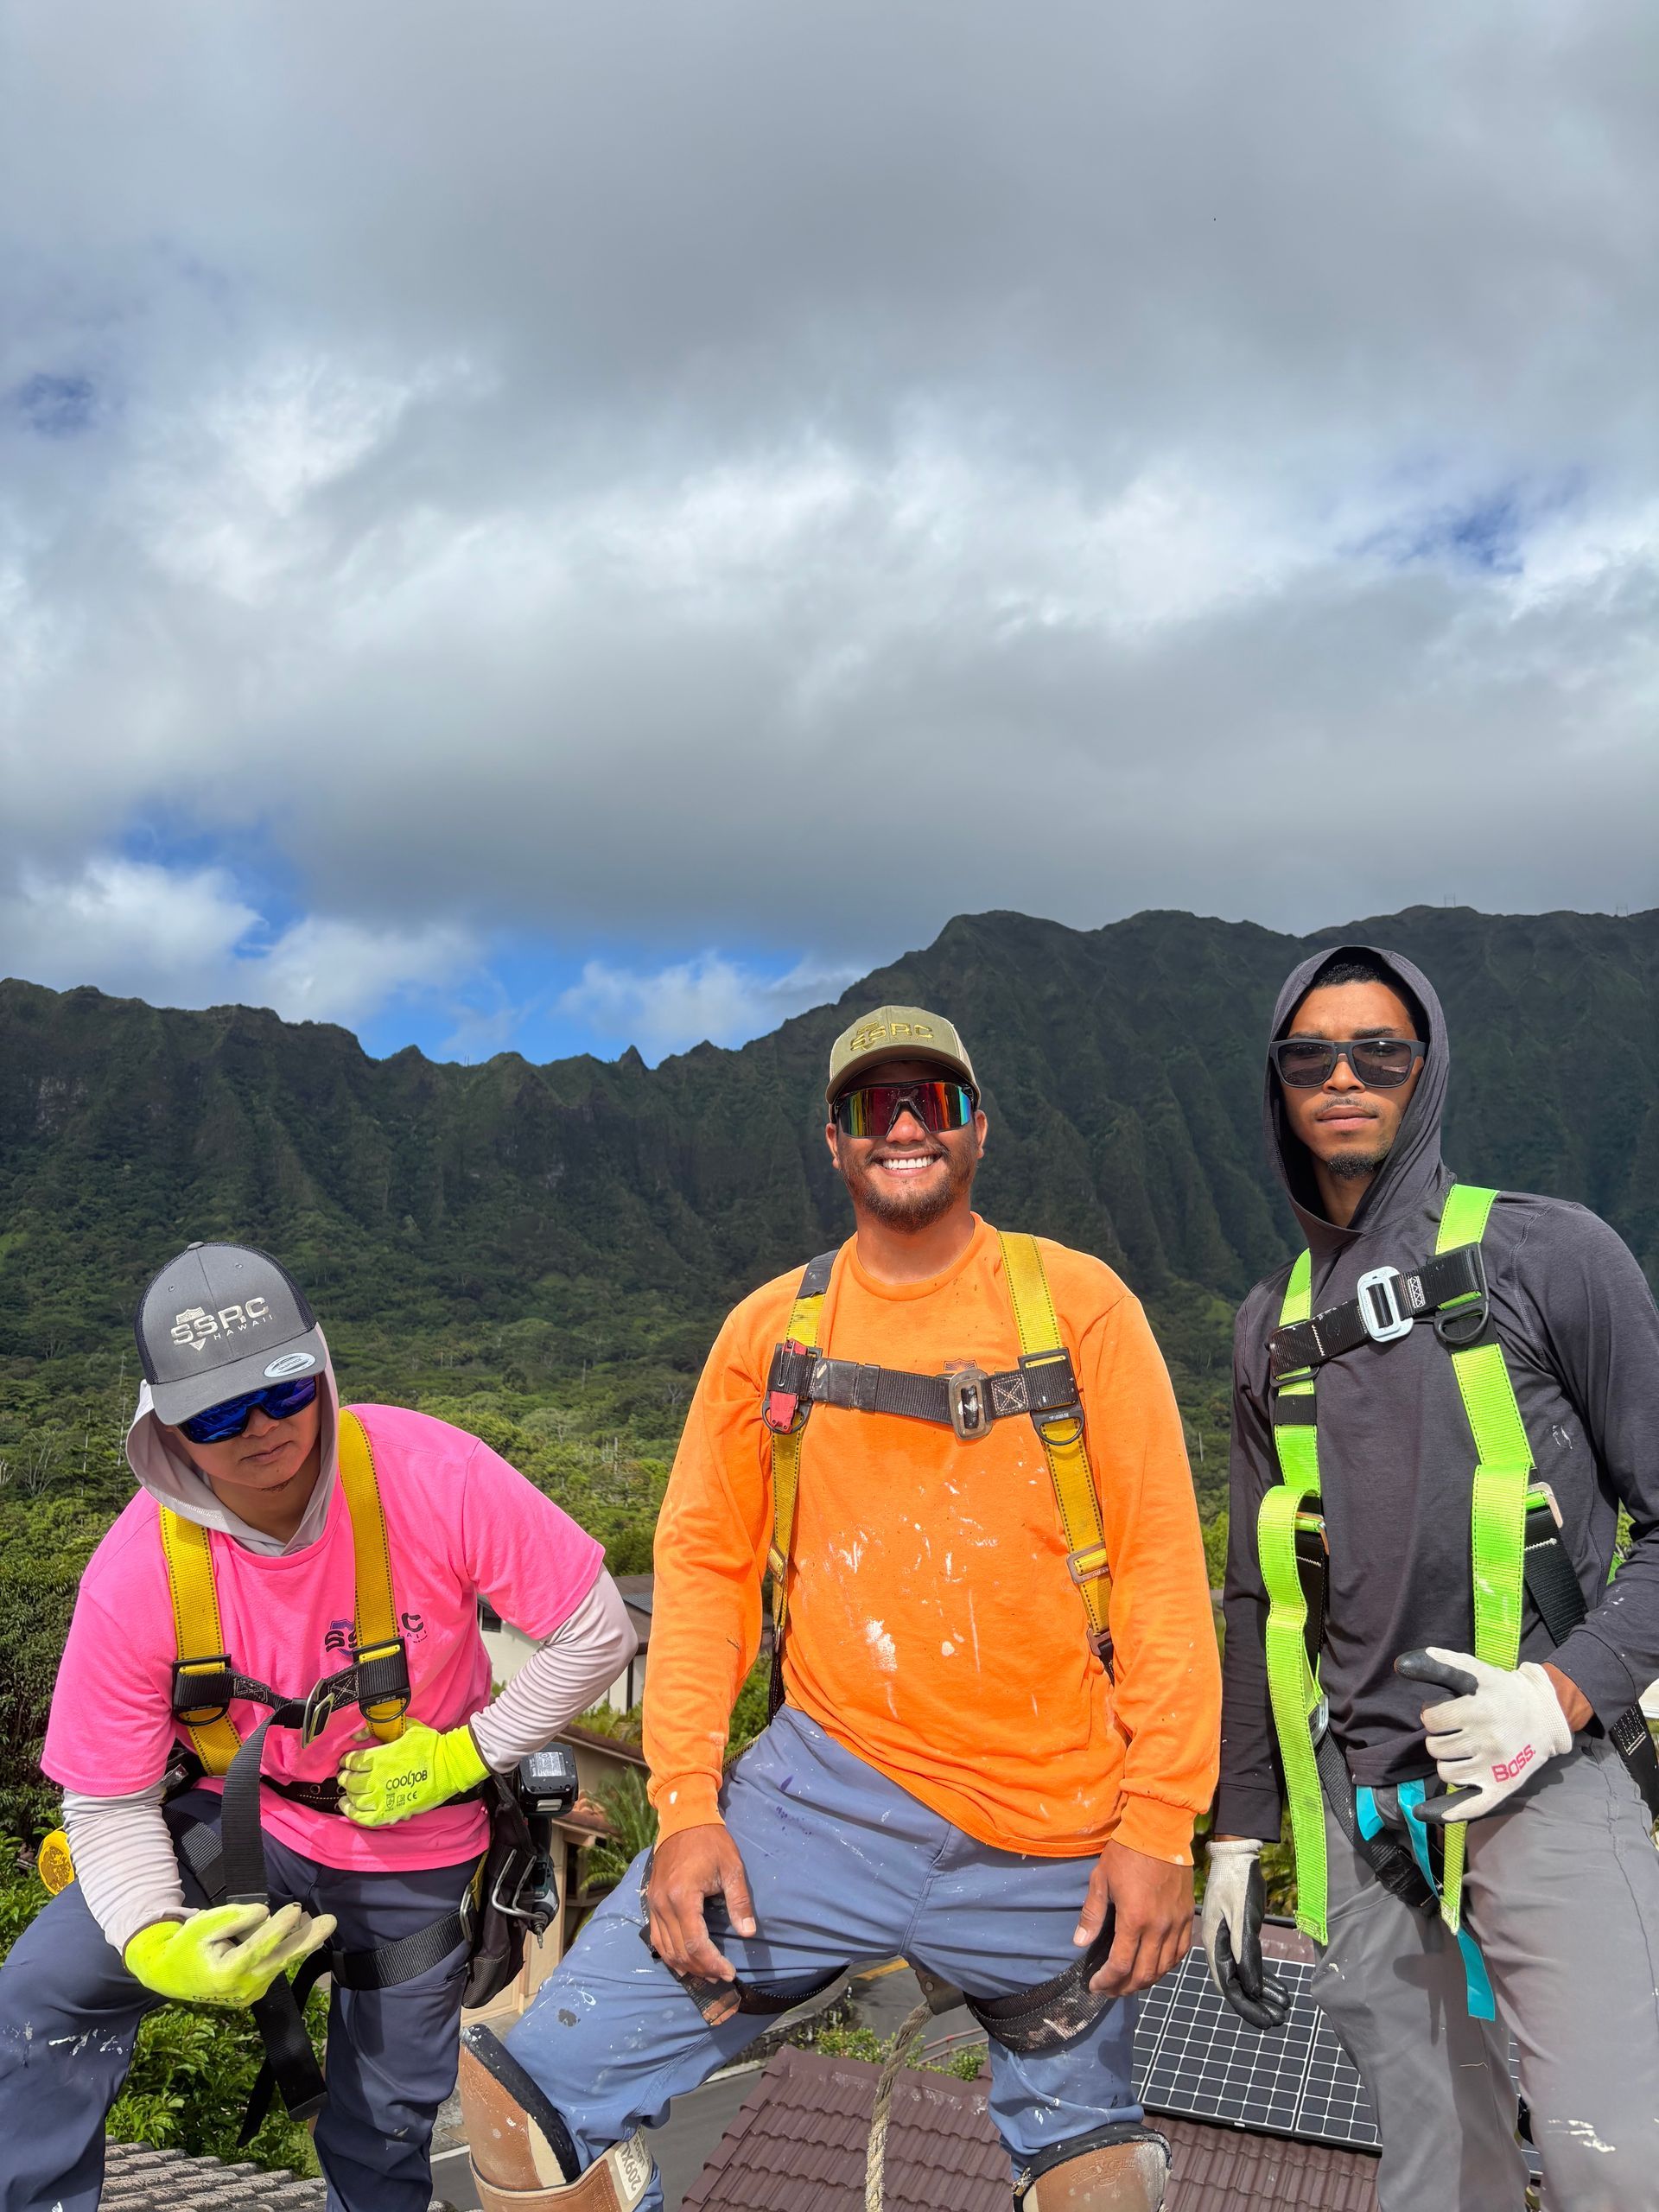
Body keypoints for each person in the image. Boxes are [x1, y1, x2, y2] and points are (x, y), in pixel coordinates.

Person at [458, 1005, 1219, 2212]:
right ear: (835, 1140)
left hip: (1053, 1825)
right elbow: (704, 1573)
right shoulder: (773, 1333)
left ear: (980, 1129)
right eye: (878, 1106)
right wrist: (686, 1805)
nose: (907, 1126)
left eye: (936, 1101)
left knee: (1106, 2188)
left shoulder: (1078, 1308)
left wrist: (1162, 1823)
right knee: (512, 2112)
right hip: (818, 1799)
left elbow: (1162, 1572)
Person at [0, 1239, 637, 2212]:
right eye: (215, 1412)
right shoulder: (138, 1572)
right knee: (45, 1992)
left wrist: (468, 1750)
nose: (259, 1428)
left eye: (284, 1390)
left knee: (385, 2121)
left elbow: (596, 1628)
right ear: (165, 1427)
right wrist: (149, 1933)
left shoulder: (430, 1472)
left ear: (322, 1365)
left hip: (413, 1835)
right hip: (235, 1823)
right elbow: (108, 1794)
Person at [1204, 945, 1659, 2212]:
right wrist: (1239, 1833)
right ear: (1280, 1087)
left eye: (1379, 1052)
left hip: (1547, 1779)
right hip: (1361, 1813)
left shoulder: (1547, 1258)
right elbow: (1259, 1597)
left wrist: (1558, 1698)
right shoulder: (1270, 1327)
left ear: (1427, 1069)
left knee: (1614, 2161)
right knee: (1433, 2176)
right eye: (1311, 1057)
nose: (1344, 1078)